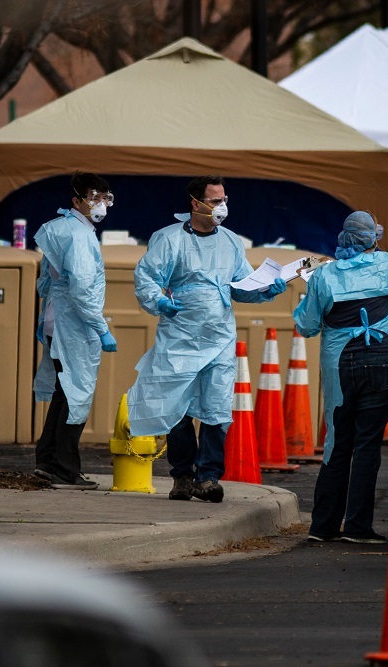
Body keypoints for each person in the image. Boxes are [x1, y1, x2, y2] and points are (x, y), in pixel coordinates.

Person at [128, 175, 287, 503]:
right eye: (215, 201)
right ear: (195, 203)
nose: (222, 207)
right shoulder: (170, 239)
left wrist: (266, 289)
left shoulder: (230, 242)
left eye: (224, 199)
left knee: (217, 407)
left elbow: (241, 287)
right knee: (179, 406)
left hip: (218, 337)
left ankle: (209, 476)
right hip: (180, 336)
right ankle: (183, 476)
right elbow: (147, 277)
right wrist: (158, 301)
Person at [294, 211, 388, 543]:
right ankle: (358, 526)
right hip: (383, 358)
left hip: (341, 364)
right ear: (374, 238)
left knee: (337, 442)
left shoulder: (324, 276)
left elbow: (306, 325)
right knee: (367, 444)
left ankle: (323, 526)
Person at [32, 172, 118, 490]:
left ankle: (48, 460)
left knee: (63, 393)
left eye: (105, 198)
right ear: (77, 200)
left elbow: (45, 282)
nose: (100, 204)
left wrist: (46, 319)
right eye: (93, 197)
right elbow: (82, 289)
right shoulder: (80, 236)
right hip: (74, 326)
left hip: (58, 320)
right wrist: (101, 328)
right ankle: (64, 469)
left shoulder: (58, 229)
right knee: (75, 396)